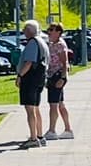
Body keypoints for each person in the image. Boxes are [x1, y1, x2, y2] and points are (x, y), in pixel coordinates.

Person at [16, 19, 48, 148]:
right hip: (40, 79)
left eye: (25, 30)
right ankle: (40, 135)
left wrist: (20, 76)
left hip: (30, 80)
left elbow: (28, 63)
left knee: (30, 109)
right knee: (35, 108)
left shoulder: (32, 43)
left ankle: (34, 138)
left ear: (30, 31)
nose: (23, 32)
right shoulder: (42, 42)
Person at [44, 21, 73, 140]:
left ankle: (52, 130)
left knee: (53, 104)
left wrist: (62, 77)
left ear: (58, 32)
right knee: (60, 104)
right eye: (49, 30)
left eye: (52, 30)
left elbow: (64, 62)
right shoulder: (51, 44)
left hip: (57, 76)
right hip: (52, 75)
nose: (49, 32)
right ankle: (68, 129)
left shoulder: (60, 45)